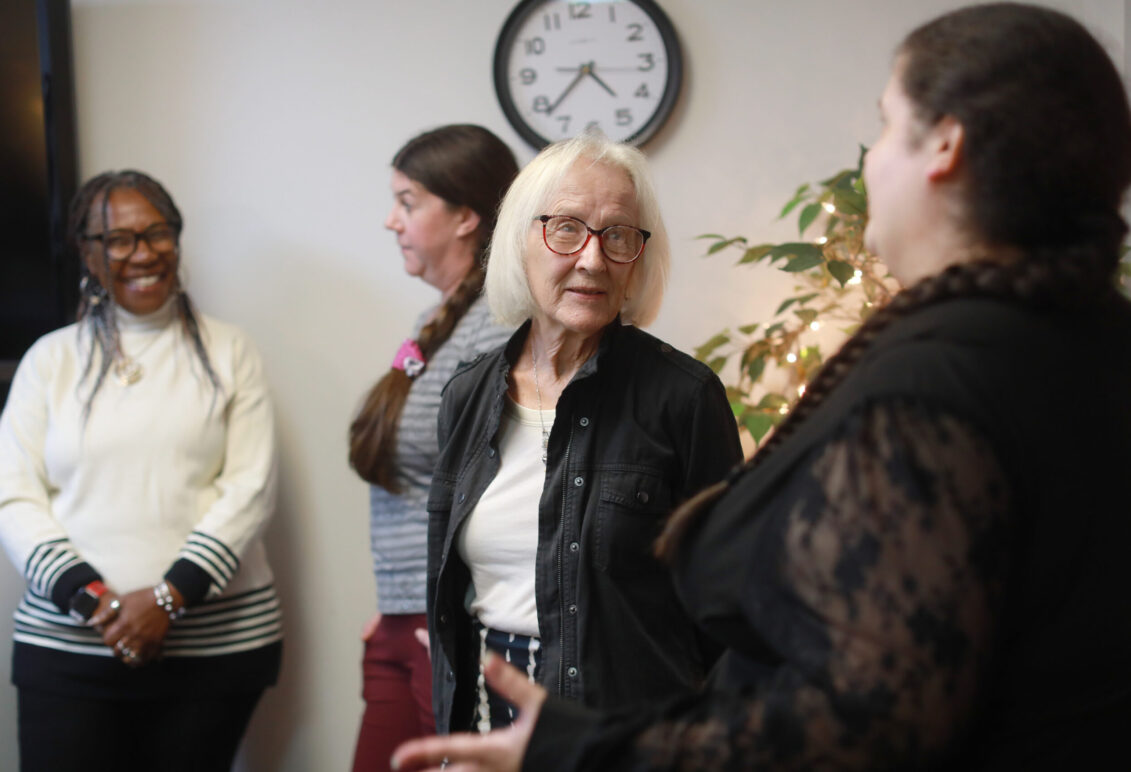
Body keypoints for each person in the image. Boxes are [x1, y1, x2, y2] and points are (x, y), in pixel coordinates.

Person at [393, 4, 1131, 770]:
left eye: (883, 125)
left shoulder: (934, 383)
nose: (870, 159)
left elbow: (864, 725)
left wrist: (588, 750)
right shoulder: (1088, 338)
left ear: (944, 145)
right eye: (566, 230)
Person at [424, 132, 743, 737]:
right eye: (567, 228)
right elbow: (450, 592)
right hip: (486, 714)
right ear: (522, 239)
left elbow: (729, 609)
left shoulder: (684, 397)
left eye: (618, 235)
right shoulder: (466, 395)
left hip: (626, 730)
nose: (593, 260)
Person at [0, 170, 282, 771]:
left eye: (157, 233)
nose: (143, 252)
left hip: (216, 649)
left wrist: (168, 597)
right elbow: (13, 496)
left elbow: (250, 489)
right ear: (88, 252)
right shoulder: (49, 360)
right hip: (70, 645)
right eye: (119, 239)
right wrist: (93, 599)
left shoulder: (232, 350)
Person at [347, 124, 519, 771]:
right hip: (403, 618)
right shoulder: (435, 323)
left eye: (408, 201)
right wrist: (394, 604)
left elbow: (502, 492)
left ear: (467, 216)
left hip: (450, 626)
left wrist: (435, 609)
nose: (391, 220)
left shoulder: (500, 327)